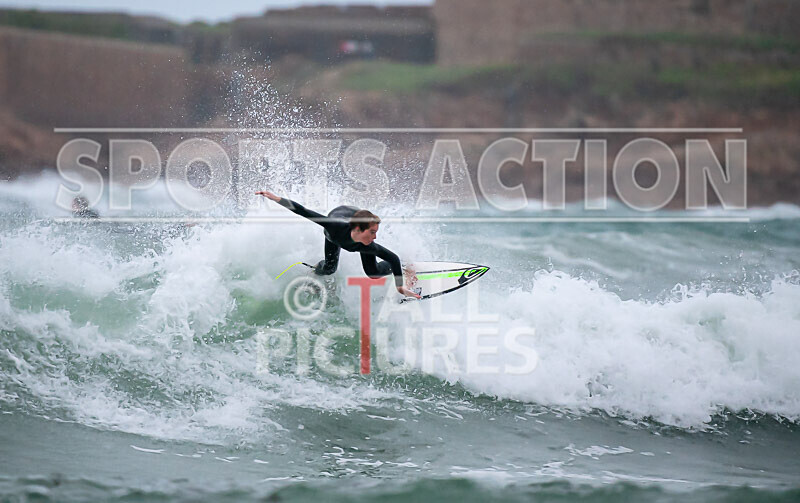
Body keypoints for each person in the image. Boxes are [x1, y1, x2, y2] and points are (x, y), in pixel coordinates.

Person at [256, 190, 421, 299]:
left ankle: (406, 266)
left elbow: (392, 257)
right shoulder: (334, 225)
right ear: (358, 229)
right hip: (340, 220)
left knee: (373, 273)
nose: (375, 237)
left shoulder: (367, 244)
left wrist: (400, 287)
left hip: (357, 219)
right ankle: (314, 269)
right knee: (329, 268)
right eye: (372, 232)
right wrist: (276, 198)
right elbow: (303, 211)